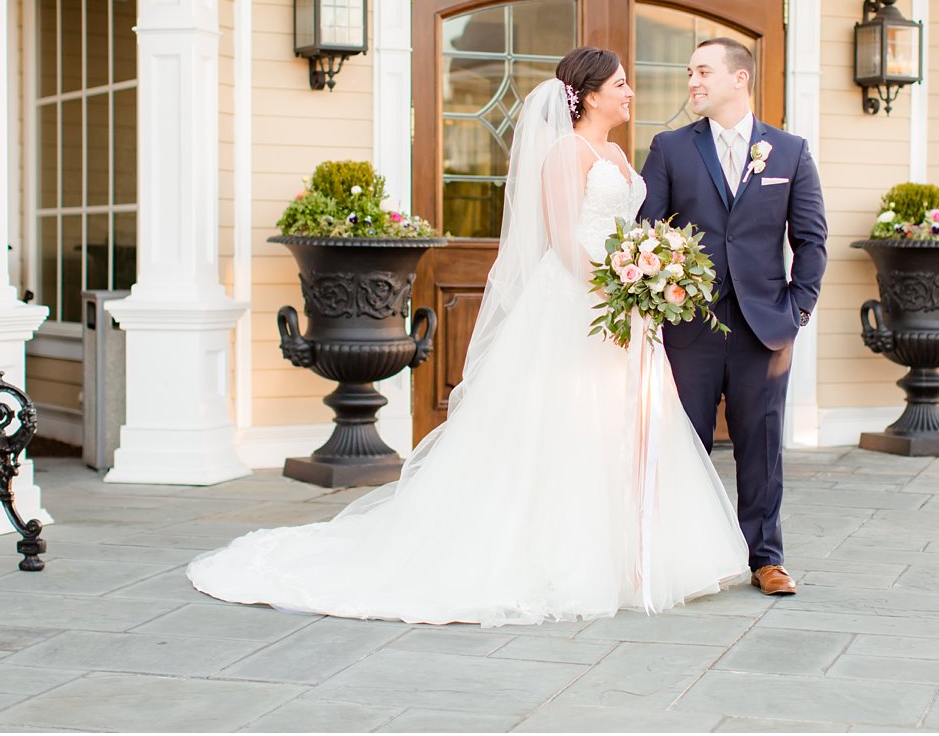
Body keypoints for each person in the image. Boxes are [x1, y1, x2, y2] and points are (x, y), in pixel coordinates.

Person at [188, 46, 748, 626]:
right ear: (591, 93)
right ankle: (556, 559)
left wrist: (648, 277)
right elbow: (562, 240)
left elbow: (624, 228)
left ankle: (630, 558)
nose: (631, 93)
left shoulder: (613, 152)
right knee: (561, 428)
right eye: (622, 84)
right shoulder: (566, 153)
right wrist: (622, 289)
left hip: (622, 308)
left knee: (616, 425)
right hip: (579, 305)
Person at [638, 37, 828, 597]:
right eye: (689, 72)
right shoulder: (670, 148)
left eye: (702, 71)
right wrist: (662, 301)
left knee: (761, 446)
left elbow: (812, 239)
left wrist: (798, 307)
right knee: (685, 447)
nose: (692, 81)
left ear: (738, 79)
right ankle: (678, 557)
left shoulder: (789, 151)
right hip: (689, 327)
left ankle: (765, 559)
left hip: (764, 327)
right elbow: (650, 233)